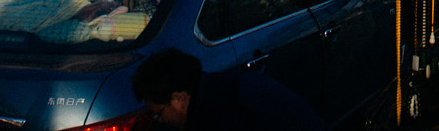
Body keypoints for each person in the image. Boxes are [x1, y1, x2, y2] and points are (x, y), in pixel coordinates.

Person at [132, 45, 321, 129]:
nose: (159, 120)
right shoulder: (205, 92)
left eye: (159, 113)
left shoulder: (229, 113)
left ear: (179, 99)